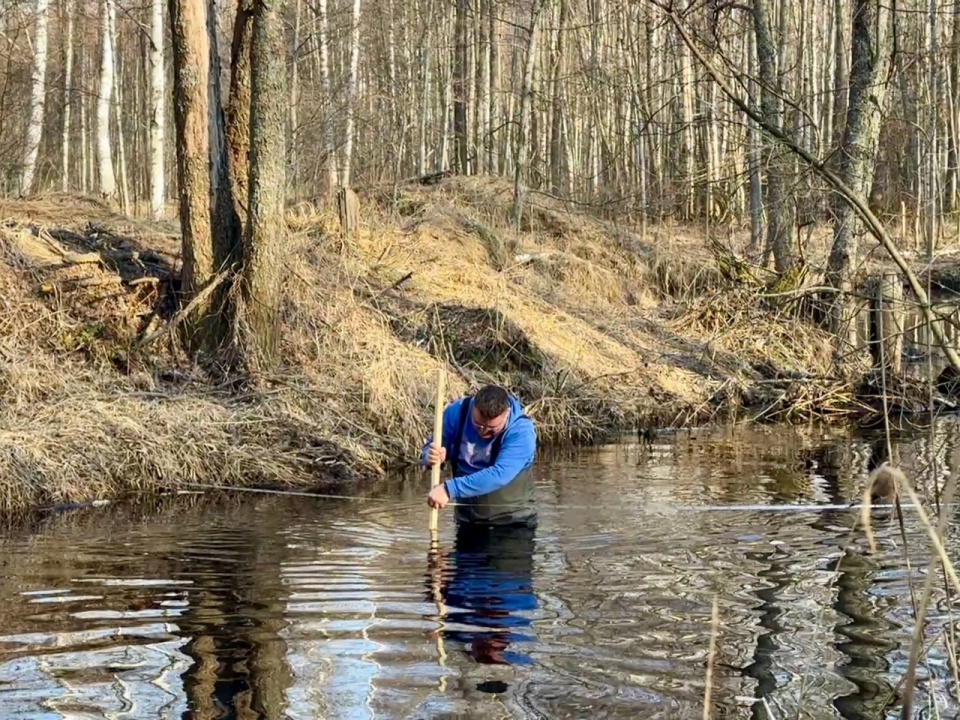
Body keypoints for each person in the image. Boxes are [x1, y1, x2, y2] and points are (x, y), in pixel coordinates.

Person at [420, 384, 537, 527]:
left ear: (506, 414)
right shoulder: (455, 413)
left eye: (492, 429)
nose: (483, 432)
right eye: (478, 425)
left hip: (513, 525)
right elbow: (432, 447)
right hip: (467, 522)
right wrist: (429, 457)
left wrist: (449, 489)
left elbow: (499, 475)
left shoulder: (522, 432)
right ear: (473, 408)